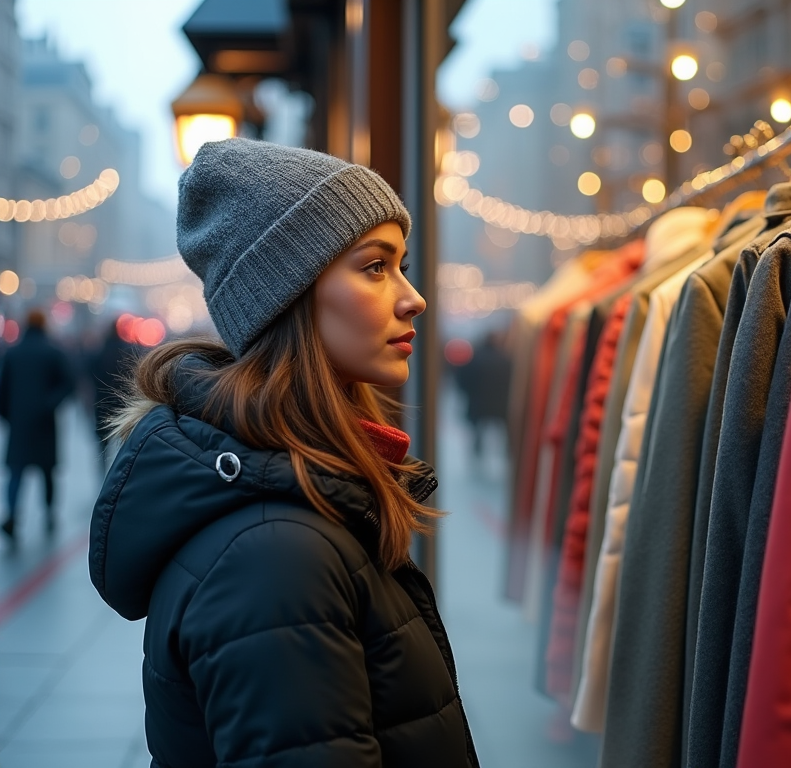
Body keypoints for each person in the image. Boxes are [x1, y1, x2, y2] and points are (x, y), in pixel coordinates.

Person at [88, 139, 479, 768]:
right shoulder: (274, 557)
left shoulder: (298, 504)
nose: (413, 297)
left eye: (401, 264)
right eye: (375, 266)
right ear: (288, 294)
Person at [0, 308, 75, 542]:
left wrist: (9, 415)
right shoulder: (52, 352)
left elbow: (2, 388)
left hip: (19, 423)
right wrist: (49, 405)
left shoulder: (13, 353)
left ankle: (12, 514)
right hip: (44, 423)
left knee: (16, 472)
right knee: (47, 472)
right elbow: (68, 384)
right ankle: (49, 514)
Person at [87, 319, 138, 467]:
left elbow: (91, 375)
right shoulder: (126, 351)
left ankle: (103, 474)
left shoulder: (99, 352)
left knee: (102, 444)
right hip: (123, 403)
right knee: (124, 444)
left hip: (101, 402)